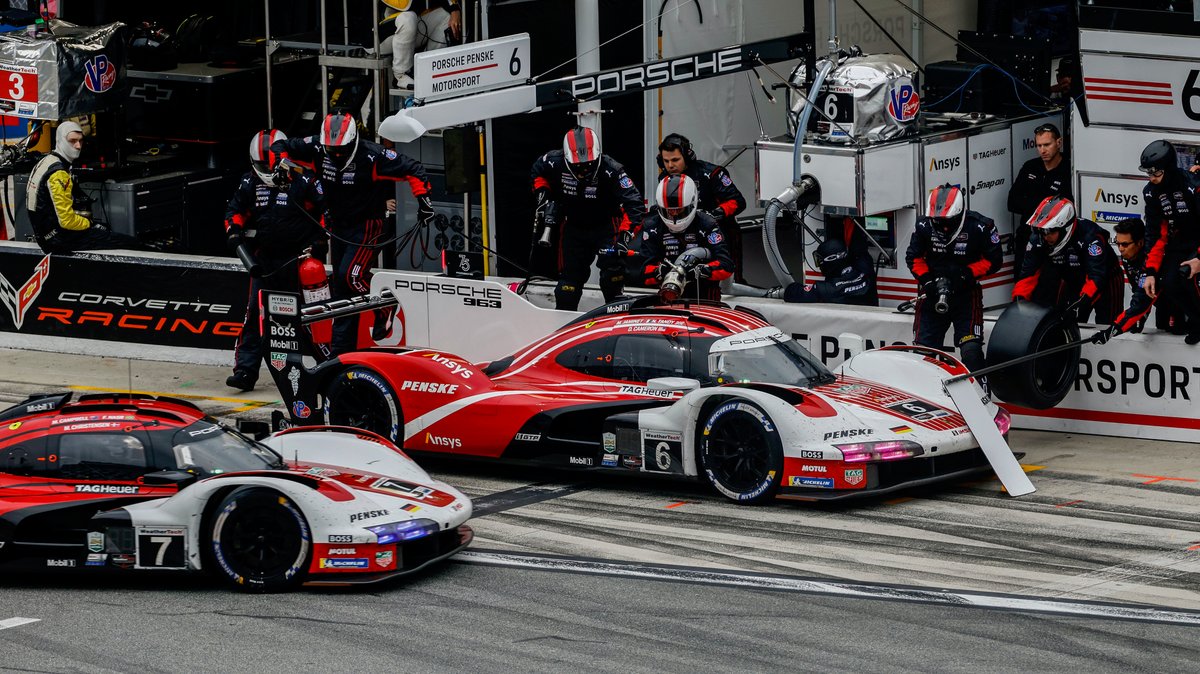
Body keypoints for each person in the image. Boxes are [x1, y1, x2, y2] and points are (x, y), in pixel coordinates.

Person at [273, 111, 435, 355]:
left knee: (351, 276)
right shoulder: (317, 148)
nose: (336, 154)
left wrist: (424, 201)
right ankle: (341, 353)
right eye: (332, 150)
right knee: (342, 289)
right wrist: (280, 165)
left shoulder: (373, 156)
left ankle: (386, 305)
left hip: (368, 224)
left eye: (341, 150)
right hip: (339, 226)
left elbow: (414, 169)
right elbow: (280, 146)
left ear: (353, 141)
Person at [224, 130, 329, 391]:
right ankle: (245, 371)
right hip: (266, 261)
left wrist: (320, 240)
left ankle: (329, 367)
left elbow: (328, 212)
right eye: (260, 165)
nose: (266, 169)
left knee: (313, 318)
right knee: (254, 318)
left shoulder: (304, 180)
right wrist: (234, 232)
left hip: (301, 262)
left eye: (269, 164)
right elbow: (234, 212)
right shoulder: (249, 182)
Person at [531, 126, 645, 310]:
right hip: (573, 227)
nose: (583, 171)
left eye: (588, 165)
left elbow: (635, 205)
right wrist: (543, 195)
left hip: (607, 227)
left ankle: (615, 321)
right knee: (567, 287)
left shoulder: (613, 170)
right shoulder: (553, 161)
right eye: (578, 167)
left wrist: (625, 238)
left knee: (612, 279)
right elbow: (537, 171)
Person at [905, 184, 1002, 372]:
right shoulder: (924, 225)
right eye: (936, 219)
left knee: (971, 352)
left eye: (945, 220)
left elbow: (994, 260)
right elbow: (914, 257)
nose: (940, 224)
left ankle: (980, 394)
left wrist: (966, 274)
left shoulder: (980, 226)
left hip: (965, 294)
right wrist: (927, 281)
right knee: (922, 354)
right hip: (932, 294)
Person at [26, 122, 147, 253]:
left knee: (102, 229)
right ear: (60, 140)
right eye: (72, 141)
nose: (78, 146)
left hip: (46, 235)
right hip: (59, 240)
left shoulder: (46, 161)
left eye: (80, 141)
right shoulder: (59, 174)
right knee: (131, 243)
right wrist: (89, 224)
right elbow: (66, 221)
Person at [1012, 196, 1122, 324]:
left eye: (1050, 231)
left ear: (1065, 227)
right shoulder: (1037, 239)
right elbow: (1028, 274)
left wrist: (1083, 301)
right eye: (1042, 231)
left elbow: (1097, 276)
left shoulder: (1090, 236)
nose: (1046, 236)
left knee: (1108, 325)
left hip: (1105, 278)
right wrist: (1019, 300)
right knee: (1063, 320)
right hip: (1071, 278)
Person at [656, 133, 747, 283]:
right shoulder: (665, 178)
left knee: (730, 282)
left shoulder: (711, 174)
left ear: (687, 156)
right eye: (666, 161)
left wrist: (714, 214)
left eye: (675, 160)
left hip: (721, 234)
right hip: (687, 237)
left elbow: (738, 201)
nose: (670, 165)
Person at [633, 174, 733, 302]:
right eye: (669, 211)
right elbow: (643, 273)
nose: (674, 214)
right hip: (669, 295)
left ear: (692, 204)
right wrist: (661, 271)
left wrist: (701, 271)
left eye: (679, 210)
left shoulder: (708, 224)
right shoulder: (653, 226)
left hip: (704, 297)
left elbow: (726, 265)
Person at [1138, 139, 1200, 344]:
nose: (1152, 178)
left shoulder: (1193, 186)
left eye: (1156, 173)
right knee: (1171, 282)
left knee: (1188, 276)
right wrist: (1150, 272)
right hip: (1180, 240)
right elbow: (1155, 234)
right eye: (1149, 173)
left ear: (1169, 169)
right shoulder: (1151, 193)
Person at [1007, 122, 1071, 275]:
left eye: (1047, 145)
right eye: (1039, 145)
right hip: (1027, 236)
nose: (1043, 150)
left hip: (1056, 240)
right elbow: (1012, 202)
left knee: (1050, 288)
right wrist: (1046, 204)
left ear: (1059, 143)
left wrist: (1030, 203)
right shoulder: (1030, 166)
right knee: (1022, 285)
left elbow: (1067, 206)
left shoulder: (1069, 168)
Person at [378, 0, 462, 90]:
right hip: (377, 39)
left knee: (446, 16)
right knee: (408, 18)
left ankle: (429, 67)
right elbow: (404, 5)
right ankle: (400, 75)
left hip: (405, 26)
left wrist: (454, 9)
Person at [767, 238, 875, 305]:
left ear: (831, 259)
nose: (819, 265)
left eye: (820, 260)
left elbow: (793, 292)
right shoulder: (865, 268)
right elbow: (860, 249)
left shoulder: (829, 289)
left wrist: (777, 292)